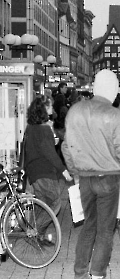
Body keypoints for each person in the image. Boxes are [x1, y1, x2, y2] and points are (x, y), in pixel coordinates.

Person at [61, 69, 120, 279]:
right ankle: (97, 273)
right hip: (109, 177)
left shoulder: (76, 111)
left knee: (89, 225)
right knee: (105, 229)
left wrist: (76, 170)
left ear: (95, 87)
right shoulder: (115, 115)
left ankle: (79, 272)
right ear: (114, 91)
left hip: (85, 178)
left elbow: (66, 147)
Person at [25, 95, 73, 244]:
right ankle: (35, 232)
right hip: (44, 171)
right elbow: (49, 152)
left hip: (34, 171)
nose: (52, 108)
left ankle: (37, 237)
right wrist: (63, 170)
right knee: (55, 203)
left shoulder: (31, 127)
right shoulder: (44, 128)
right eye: (50, 106)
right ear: (44, 109)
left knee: (42, 204)